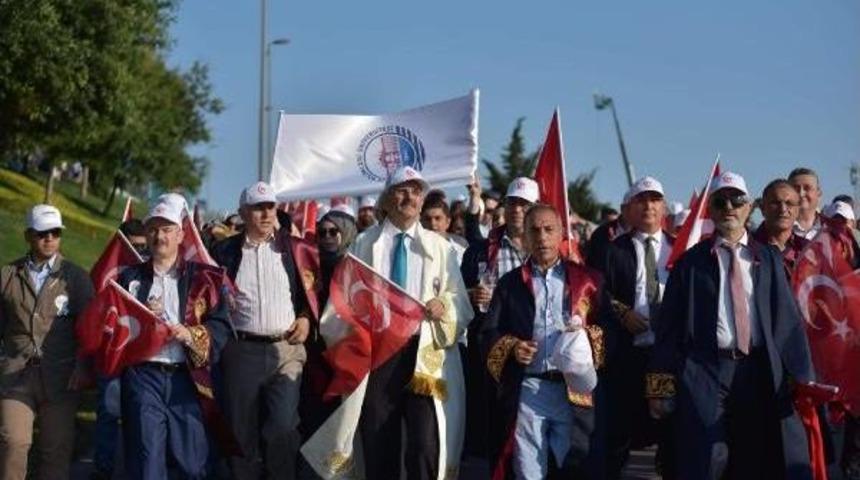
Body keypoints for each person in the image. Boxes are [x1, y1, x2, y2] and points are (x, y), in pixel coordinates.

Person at [647, 172, 815, 479]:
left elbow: (787, 321)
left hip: (756, 371)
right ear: (710, 210)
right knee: (708, 457)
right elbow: (668, 329)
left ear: (749, 207)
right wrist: (659, 387)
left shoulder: (768, 258)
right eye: (720, 201)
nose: (729, 207)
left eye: (736, 200)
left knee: (752, 458)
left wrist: (803, 377)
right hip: (706, 371)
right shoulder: (690, 263)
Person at [349, 165, 473, 479]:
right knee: (379, 441)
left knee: (425, 444)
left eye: (417, 191)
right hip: (380, 356)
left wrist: (443, 304)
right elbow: (345, 298)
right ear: (387, 199)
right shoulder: (365, 243)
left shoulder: (440, 247)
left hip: (425, 356)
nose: (411, 197)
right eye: (402, 190)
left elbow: (460, 299)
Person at [481, 204, 616, 479]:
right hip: (530, 388)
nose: (542, 237)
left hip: (574, 390)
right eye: (534, 231)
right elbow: (489, 331)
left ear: (561, 234)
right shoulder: (510, 284)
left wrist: (585, 343)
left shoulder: (587, 280)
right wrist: (512, 347)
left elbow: (610, 328)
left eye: (548, 230)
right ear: (526, 238)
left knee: (575, 465)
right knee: (527, 469)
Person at [116, 198, 233, 480]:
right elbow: (115, 324)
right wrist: (141, 319)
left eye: (167, 229)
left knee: (193, 463)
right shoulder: (129, 278)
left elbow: (221, 325)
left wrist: (190, 334)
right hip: (145, 377)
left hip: (188, 379)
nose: (160, 236)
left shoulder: (205, 278)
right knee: (148, 459)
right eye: (154, 229)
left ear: (181, 234)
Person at [210, 181, 313, 479]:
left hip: (286, 350)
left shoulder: (295, 248)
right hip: (241, 351)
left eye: (270, 206)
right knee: (241, 429)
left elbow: (312, 292)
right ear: (243, 212)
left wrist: (306, 318)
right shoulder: (224, 251)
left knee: (283, 425)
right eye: (258, 208)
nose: (266, 213)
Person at [0, 205, 94, 480]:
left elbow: (88, 330)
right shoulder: (7, 275)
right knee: (13, 443)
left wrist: (83, 365)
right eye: (43, 233)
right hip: (15, 376)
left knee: (56, 450)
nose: (50, 238)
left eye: (56, 232)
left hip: (62, 377)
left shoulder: (76, 278)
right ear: (28, 235)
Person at [460, 176, 538, 459]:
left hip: (534, 347)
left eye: (524, 205)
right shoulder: (481, 250)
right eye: (513, 203)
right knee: (496, 426)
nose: (517, 210)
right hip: (491, 347)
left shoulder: (546, 250)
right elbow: (456, 292)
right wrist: (470, 294)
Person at [602, 176, 674, 478]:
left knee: (667, 425)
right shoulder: (612, 250)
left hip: (665, 357)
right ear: (629, 209)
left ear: (664, 207)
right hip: (627, 355)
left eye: (655, 199)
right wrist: (622, 313)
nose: (648, 206)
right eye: (641, 200)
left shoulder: (680, 248)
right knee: (620, 428)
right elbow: (596, 293)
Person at [90, 218, 149, 480]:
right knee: (108, 412)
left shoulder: (153, 274)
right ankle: (103, 468)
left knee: (140, 417)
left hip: (142, 358)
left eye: (144, 248)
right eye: (134, 247)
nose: (140, 254)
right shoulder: (110, 271)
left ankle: (136, 470)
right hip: (112, 354)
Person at [752, 179, 809, 276]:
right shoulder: (747, 247)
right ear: (762, 208)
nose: (783, 209)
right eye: (775, 203)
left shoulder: (808, 249)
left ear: (798, 210)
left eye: (789, 203)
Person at [420, 196, 468, 262]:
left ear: (448, 222)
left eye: (437, 218)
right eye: (428, 219)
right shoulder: (414, 250)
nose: (432, 224)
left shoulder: (461, 250)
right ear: (421, 222)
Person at [789, 167, 823, 240]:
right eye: (796, 189)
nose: (801, 194)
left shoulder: (834, 230)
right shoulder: (776, 230)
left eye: (807, 188)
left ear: (819, 193)